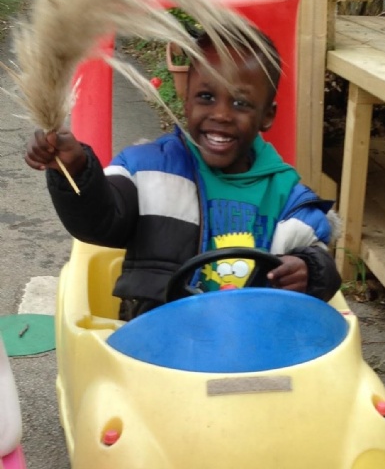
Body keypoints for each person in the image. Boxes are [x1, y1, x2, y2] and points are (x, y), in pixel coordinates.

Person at [25, 29, 342, 321]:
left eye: (240, 103)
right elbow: (100, 222)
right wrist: (76, 169)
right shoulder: (148, 170)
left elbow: (321, 263)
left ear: (266, 116)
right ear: (186, 100)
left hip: (253, 343)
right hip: (156, 341)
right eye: (206, 97)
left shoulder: (287, 196)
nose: (221, 114)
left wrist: (309, 270)